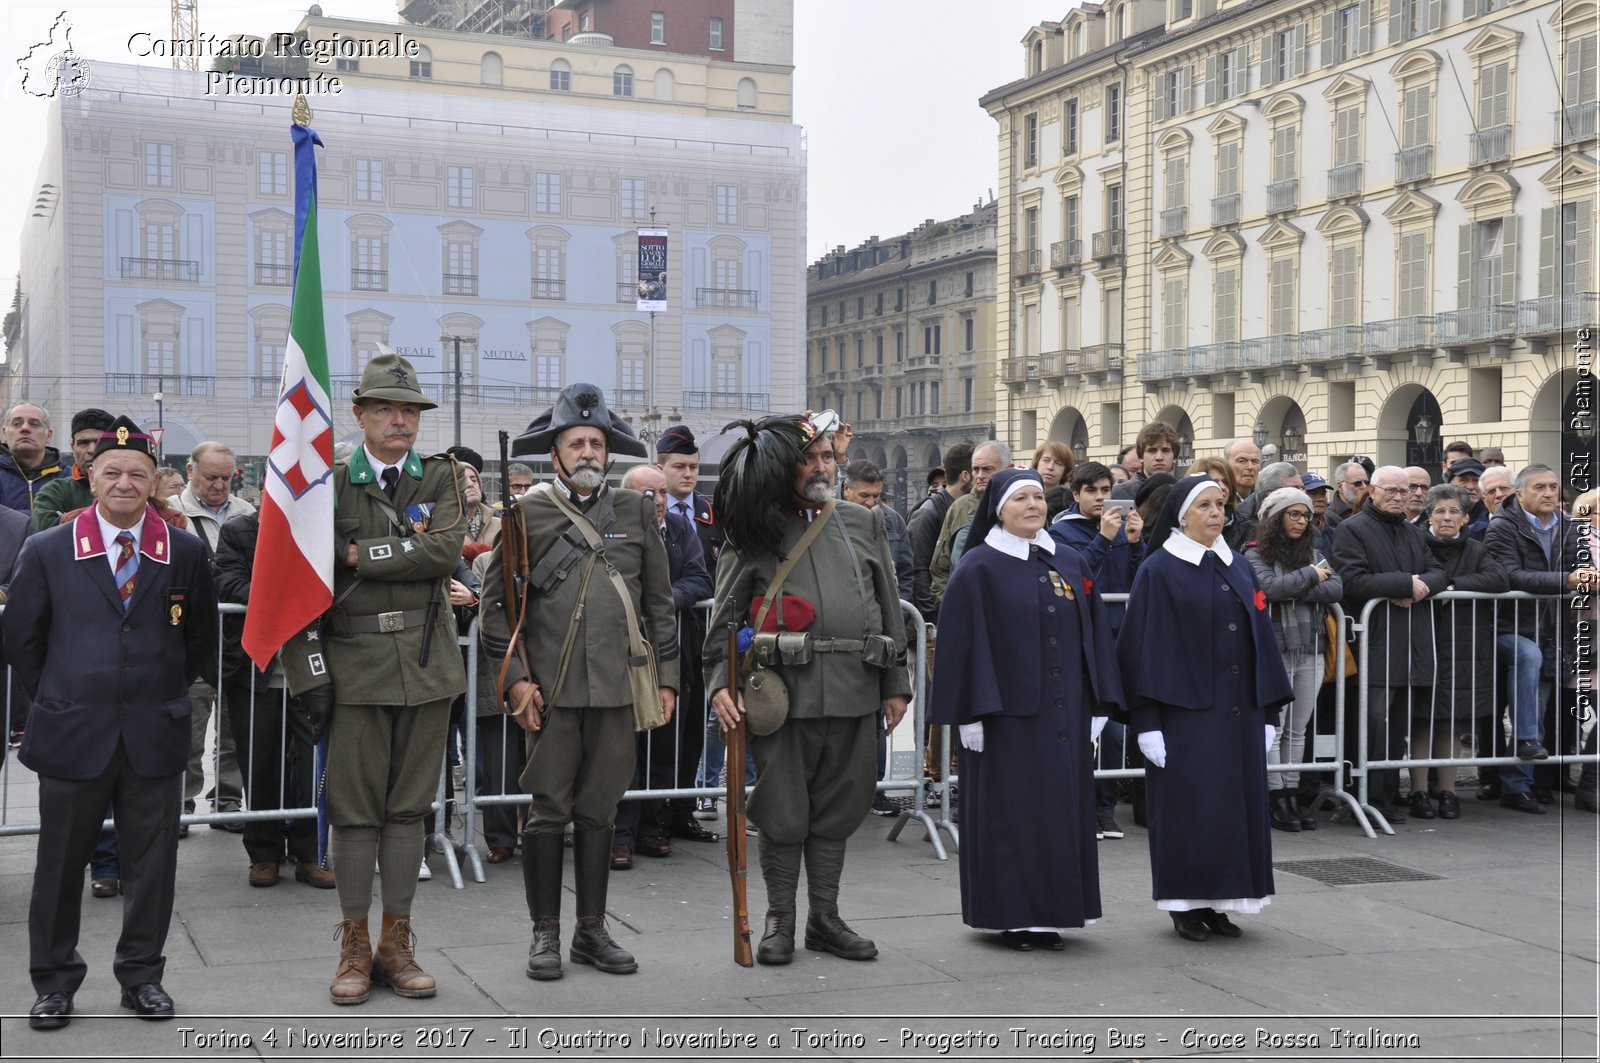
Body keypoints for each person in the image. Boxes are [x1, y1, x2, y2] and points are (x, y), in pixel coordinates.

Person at [5, 415, 217, 1029]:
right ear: (89, 477)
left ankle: (142, 977)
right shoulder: (48, 548)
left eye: (138, 474)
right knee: (59, 865)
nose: (124, 483)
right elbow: (23, 637)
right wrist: (66, 692)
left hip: (153, 729)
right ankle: (53, 981)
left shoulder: (182, 549)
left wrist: (159, 691)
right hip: (73, 730)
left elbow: (199, 636)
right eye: (112, 472)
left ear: (154, 482)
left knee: (151, 867)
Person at [279, 352, 468, 1006]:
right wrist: (309, 676)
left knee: (409, 809)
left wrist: (363, 553)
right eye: (386, 408)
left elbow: (446, 550)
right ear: (357, 414)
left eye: (410, 410)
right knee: (356, 815)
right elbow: (297, 585)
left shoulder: (440, 477)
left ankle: (398, 940)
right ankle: (354, 945)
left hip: (426, 665)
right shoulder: (328, 485)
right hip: (355, 668)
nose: (400, 420)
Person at [480, 383, 679, 981]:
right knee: (547, 813)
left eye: (596, 442)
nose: (588, 451)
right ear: (557, 452)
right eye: (576, 442)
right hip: (553, 692)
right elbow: (497, 611)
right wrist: (515, 683)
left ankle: (591, 932)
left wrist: (666, 678)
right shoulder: (523, 515)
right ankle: (544, 936)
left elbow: (659, 603)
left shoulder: (636, 511)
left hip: (618, 690)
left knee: (601, 811)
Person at [705, 413, 911, 966]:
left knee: (840, 809)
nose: (822, 466)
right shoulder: (756, 529)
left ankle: (825, 918)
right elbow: (722, 622)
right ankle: (780, 921)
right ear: (784, 466)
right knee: (784, 810)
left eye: (827, 457)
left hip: (854, 689)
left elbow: (889, 606)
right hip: (783, 695)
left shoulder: (861, 523)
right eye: (810, 458)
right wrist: (720, 684)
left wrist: (896, 683)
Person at [929, 468, 1120, 950]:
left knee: (1058, 812)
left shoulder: (1071, 560)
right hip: (1006, 717)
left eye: (1038, 497)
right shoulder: (978, 566)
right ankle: (1013, 916)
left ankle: (1054, 911)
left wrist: (1099, 699)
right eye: (1021, 499)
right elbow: (961, 642)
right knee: (1013, 813)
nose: (1033, 505)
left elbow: (1094, 631)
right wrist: (968, 713)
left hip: (1064, 713)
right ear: (999, 508)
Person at [1117, 475, 1293, 942]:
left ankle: (1222, 900)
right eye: (1206, 506)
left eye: (1221, 504)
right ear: (1182, 515)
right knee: (1189, 810)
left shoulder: (1236, 564)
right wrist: (1146, 721)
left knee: (1233, 810)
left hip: (1239, 712)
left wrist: (1268, 712)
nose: (1217, 513)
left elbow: (1260, 638)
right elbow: (1140, 650)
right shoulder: (1158, 569)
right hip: (1185, 716)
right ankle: (1185, 904)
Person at [213, 509, 335, 888]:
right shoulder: (239, 531)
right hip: (255, 672)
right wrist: (285, 598)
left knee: (311, 770)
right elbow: (227, 582)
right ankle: (263, 854)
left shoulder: (324, 528)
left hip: (312, 670)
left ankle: (309, 853)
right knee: (259, 765)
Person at [1332, 465, 1447, 820]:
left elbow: (1439, 571)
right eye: (1392, 491)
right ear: (1374, 491)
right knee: (1372, 724)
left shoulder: (1413, 533)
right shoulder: (1352, 529)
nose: (1400, 497)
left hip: (1409, 643)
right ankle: (1365, 798)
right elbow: (1351, 580)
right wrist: (1402, 585)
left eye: (1406, 490)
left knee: (1397, 728)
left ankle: (1384, 796)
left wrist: (1419, 587)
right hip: (1375, 643)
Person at [612, 463, 712, 868]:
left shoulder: (679, 528)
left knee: (665, 741)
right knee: (622, 746)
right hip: (621, 652)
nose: (656, 501)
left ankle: (653, 826)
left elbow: (701, 581)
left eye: (660, 494)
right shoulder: (611, 526)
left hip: (671, 648)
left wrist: (663, 598)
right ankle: (620, 832)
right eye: (647, 494)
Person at [1484, 464, 1593, 812]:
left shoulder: (1570, 526)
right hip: (1506, 628)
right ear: (1519, 493)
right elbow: (1511, 575)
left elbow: (1582, 563)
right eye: (1539, 487)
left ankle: (1519, 787)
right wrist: (1568, 581)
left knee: (1540, 706)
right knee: (1528, 657)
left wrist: (1588, 575)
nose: (1548, 493)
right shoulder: (1502, 526)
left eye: (1553, 486)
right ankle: (1523, 755)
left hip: (1552, 632)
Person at [1049, 460, 1144, 838]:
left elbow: (1138, 579)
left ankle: (1105, 809)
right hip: (1083, 639)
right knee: (1087, 728)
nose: (1102, 499)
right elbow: (1073, 577)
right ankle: (1081, 806)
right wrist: (1103, 539)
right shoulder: (1062, 532)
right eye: (1093, 491)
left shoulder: (1120, 525)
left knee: (1112, 731)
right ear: (1076, 494)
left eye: (1107, 491)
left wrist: (1135, 545)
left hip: (1118, 637)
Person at [1245, 488, 1343, 832]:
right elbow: (1268, 588)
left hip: (1310, 645)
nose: (1302, 521)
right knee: (1276, 726)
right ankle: (1274, 796)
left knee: (1297, 729)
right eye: (1293, 514)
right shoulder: (1254, 554)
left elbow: (1337, 588)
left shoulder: (1313, 552)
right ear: (1275, 517)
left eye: (1305, 515)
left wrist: (1299, 584)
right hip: (1275, 647)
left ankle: (1290, 792)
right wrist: (1312, 577)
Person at [1416, 484, 1508, 820]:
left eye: (1454, 511)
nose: (1447, 517)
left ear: (1466, 516)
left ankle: (1449, 792)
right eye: (1440, 511)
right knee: (1422, 718)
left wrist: (1451, 585)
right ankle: (1418, 791)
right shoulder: (1416, 543)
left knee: (1451, 720)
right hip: (1422, 641)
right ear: (1429, 515)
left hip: (1463, 645)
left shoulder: (1476, 548)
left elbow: (1498, 579)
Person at [177, 442, 255, 832]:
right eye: (211, 477)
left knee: (234, 728)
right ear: (191, 471)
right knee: (189, 726)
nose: (220, 485)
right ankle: (182, 805)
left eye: (227, 478)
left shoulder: (247, 514)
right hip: (192, 641)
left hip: (237, 641)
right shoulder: (174, 514)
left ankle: (228, 801)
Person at [653, 424, 725, 835]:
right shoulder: (644, 513)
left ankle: (681, 811)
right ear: (660, 467)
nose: (688, 474)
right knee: (664, 730)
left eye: (694, 467)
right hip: (663, 639)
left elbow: (717, 575)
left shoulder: (710, 514)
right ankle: (653, 812)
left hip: (702, 633)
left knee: (695, 728)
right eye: (679, 466)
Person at [932, 440, 1009, 605]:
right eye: (976, 469)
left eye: (988, 469)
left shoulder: (1021, 506)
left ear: (1008, 469)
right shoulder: (959, 507)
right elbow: (940, 567)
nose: (980, 475)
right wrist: (950, 604)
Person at [907, 442, 973, 621]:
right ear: (966, 476)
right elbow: (917, 570)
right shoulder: (928, 513)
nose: (982, 478)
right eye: (978, 471)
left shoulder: (964, 509)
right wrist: (934, 617)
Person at [29, 408, 114, 531]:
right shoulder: (55, 491)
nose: (91, 450)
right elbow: (45, 531)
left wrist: (66, 519)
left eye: (100, 442)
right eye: (83, 443)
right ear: (72, 447)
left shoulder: (131, 486)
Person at [0, 402, 68, 512]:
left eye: (34, 424)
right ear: (4, 433)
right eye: (17, 423)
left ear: (49, 435)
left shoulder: (68, 479)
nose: (25, 428)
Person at [447, 447, 501, 547]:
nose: (470, 484)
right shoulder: (439, 524)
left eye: (474, 479)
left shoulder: (500, 524)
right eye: (462, 479)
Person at [1112, 422, 1178, 500]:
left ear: (1175, 457)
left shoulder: (1183, 492)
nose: (1159, 457)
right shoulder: (1119, 493)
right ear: (1140, 456)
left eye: (1165, 450)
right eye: (1152, 451)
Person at [1327, 461, 1370, 526]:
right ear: (1340, 486)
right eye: (1357, 483)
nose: (1364, 487)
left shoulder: (1372, 510)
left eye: (1366, 482)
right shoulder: (1328, 516)